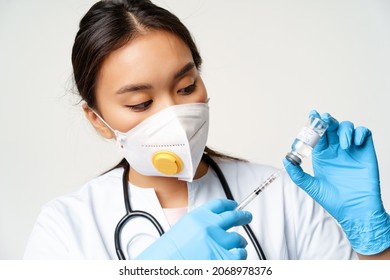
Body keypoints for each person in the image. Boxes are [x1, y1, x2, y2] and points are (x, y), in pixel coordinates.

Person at [23, 0, 390, 260]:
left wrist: (373, 242)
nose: (175, 116)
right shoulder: (66, 226)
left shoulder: (284, 199)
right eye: (140, 103)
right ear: (97, 120)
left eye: (185, 88)